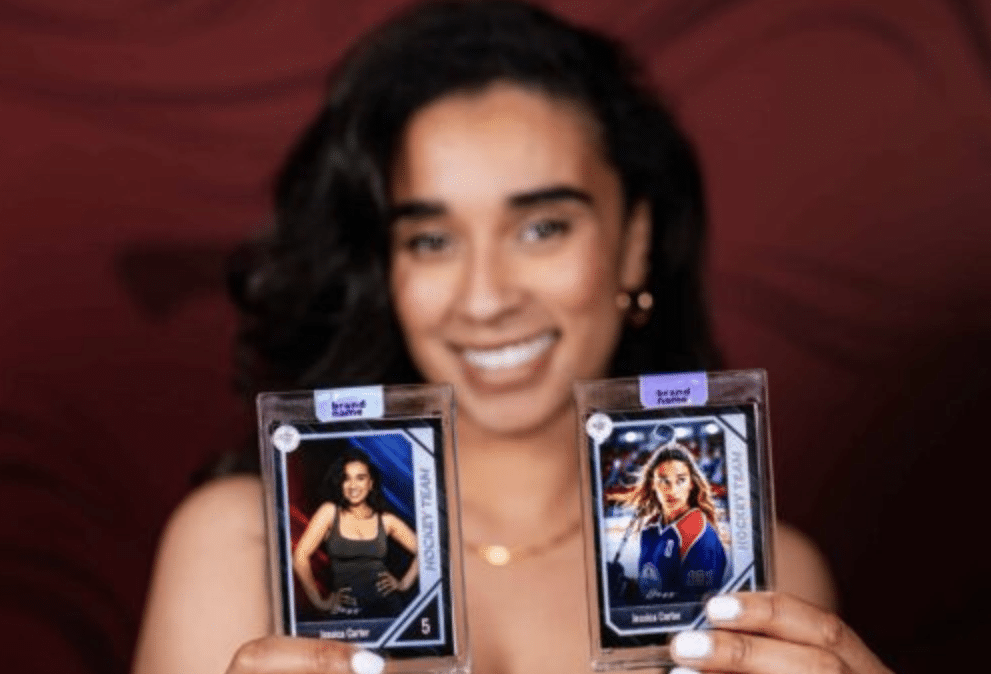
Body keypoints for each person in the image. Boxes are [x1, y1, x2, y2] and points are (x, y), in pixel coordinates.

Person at [132, 2, 889, 674]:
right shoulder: (239, 547)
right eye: (431, 240)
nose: (488, 298)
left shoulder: (767, 569)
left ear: (634, 240)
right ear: (383, 268)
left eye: (541, 227)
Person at [293, 449, 418, 619]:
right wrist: (320, 602)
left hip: (388, 611)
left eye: (360, 478)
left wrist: (403, 584)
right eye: (346, 478)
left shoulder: (386, 521)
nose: (353, 486)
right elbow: (300, 557)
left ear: (370, 483)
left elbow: (426, 551)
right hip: (346, 614)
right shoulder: (329, 513)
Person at [617, 441, 727, 604]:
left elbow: (695, 605)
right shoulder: (650, 529)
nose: (672, 490)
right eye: (663, 480)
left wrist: (632, 598)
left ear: (691, 484)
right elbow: (655, 586)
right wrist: (626, 585)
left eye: (681, 480)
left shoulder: (698, 535)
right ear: (653, 484)